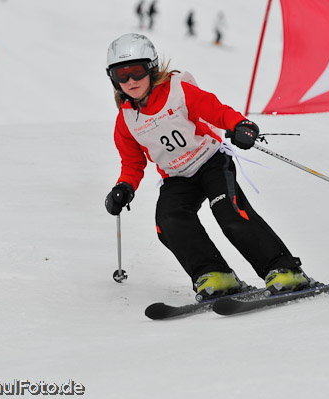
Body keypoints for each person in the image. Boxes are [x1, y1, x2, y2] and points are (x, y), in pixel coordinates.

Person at [104, 33, 309, 300]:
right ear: (113, 78)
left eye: (137, 71)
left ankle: (284, 269)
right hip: (177, 177)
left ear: (152, 69)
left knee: (229, 212)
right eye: (122, 74)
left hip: (210, 161)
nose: (131, 81)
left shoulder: (178, 91)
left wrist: (239, 125)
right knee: (168, 222)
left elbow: (214, 109)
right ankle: (215, 274)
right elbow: (133, 162)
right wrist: (124, 186)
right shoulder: (126, 121)